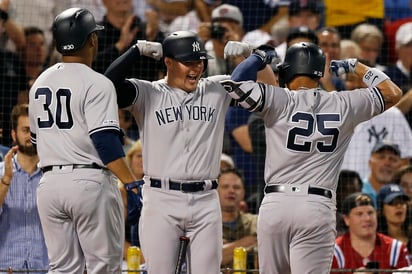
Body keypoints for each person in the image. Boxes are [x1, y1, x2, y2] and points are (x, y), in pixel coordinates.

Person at [220, 41, 403, 273]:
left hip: (277, 204)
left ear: (287, 71)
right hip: (316, 205)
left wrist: (257, 57)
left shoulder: (278, 99)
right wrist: (355, 66)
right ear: (319, 73)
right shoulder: (344, 103)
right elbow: (393, 92)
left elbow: (236, 84)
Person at [104, 30, 276, 274]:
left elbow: (273, 91)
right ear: (168, 62)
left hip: (206, 199)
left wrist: (252, 56)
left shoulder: (218, 88)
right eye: (188, 62)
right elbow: (108, 85)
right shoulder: (147, 92)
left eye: (200, 62)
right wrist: (135, 51)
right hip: (161, 198)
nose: (195, 68)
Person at [28, 8, 141, 273]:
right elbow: (105, 143)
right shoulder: (97, 82)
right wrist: (132, 183)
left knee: (62, 268)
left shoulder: (40, 82)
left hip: (49, 185)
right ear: (92, 40)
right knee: (103, 267)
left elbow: (35, 140)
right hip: (89, 184)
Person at [0, 104, 48, 273]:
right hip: (6, 267)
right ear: (14, 134)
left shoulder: (54, 175)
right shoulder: (0, 173)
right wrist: (6, 180)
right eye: (26, 130)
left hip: (45, 267)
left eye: (35, 131)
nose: (31, 136)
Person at [331, 192, 409, 273]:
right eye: (359, 214)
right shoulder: (335, 251)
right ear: (346, 219)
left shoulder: (395, 249)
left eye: (370, 213)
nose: (367, 218)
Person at [218, 167, 258, 269]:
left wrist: (227, 248)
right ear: (215, 191)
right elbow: (216, 258)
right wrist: (250, 241)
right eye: (225, 186)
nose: (231, 191)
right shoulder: (206, 225)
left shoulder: (255, 222)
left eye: (236, 187)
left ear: (243, 193)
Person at [361, 141, 403, 206]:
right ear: (370, 163)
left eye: (393, 159)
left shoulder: (405, 193)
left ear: (400, 166)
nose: (387, 163)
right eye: (381, 157)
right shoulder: (356, 189)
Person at [376, 184, 412, 251]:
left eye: (402, 202)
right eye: (392, 203)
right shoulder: (376, 242)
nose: (399, 206)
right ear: (381, 210)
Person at [336, 170, 363, 236]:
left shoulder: (366, 218)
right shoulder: (329, 220)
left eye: (354, 191)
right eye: (345, 190)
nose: (350, 195)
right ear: (336, 192)